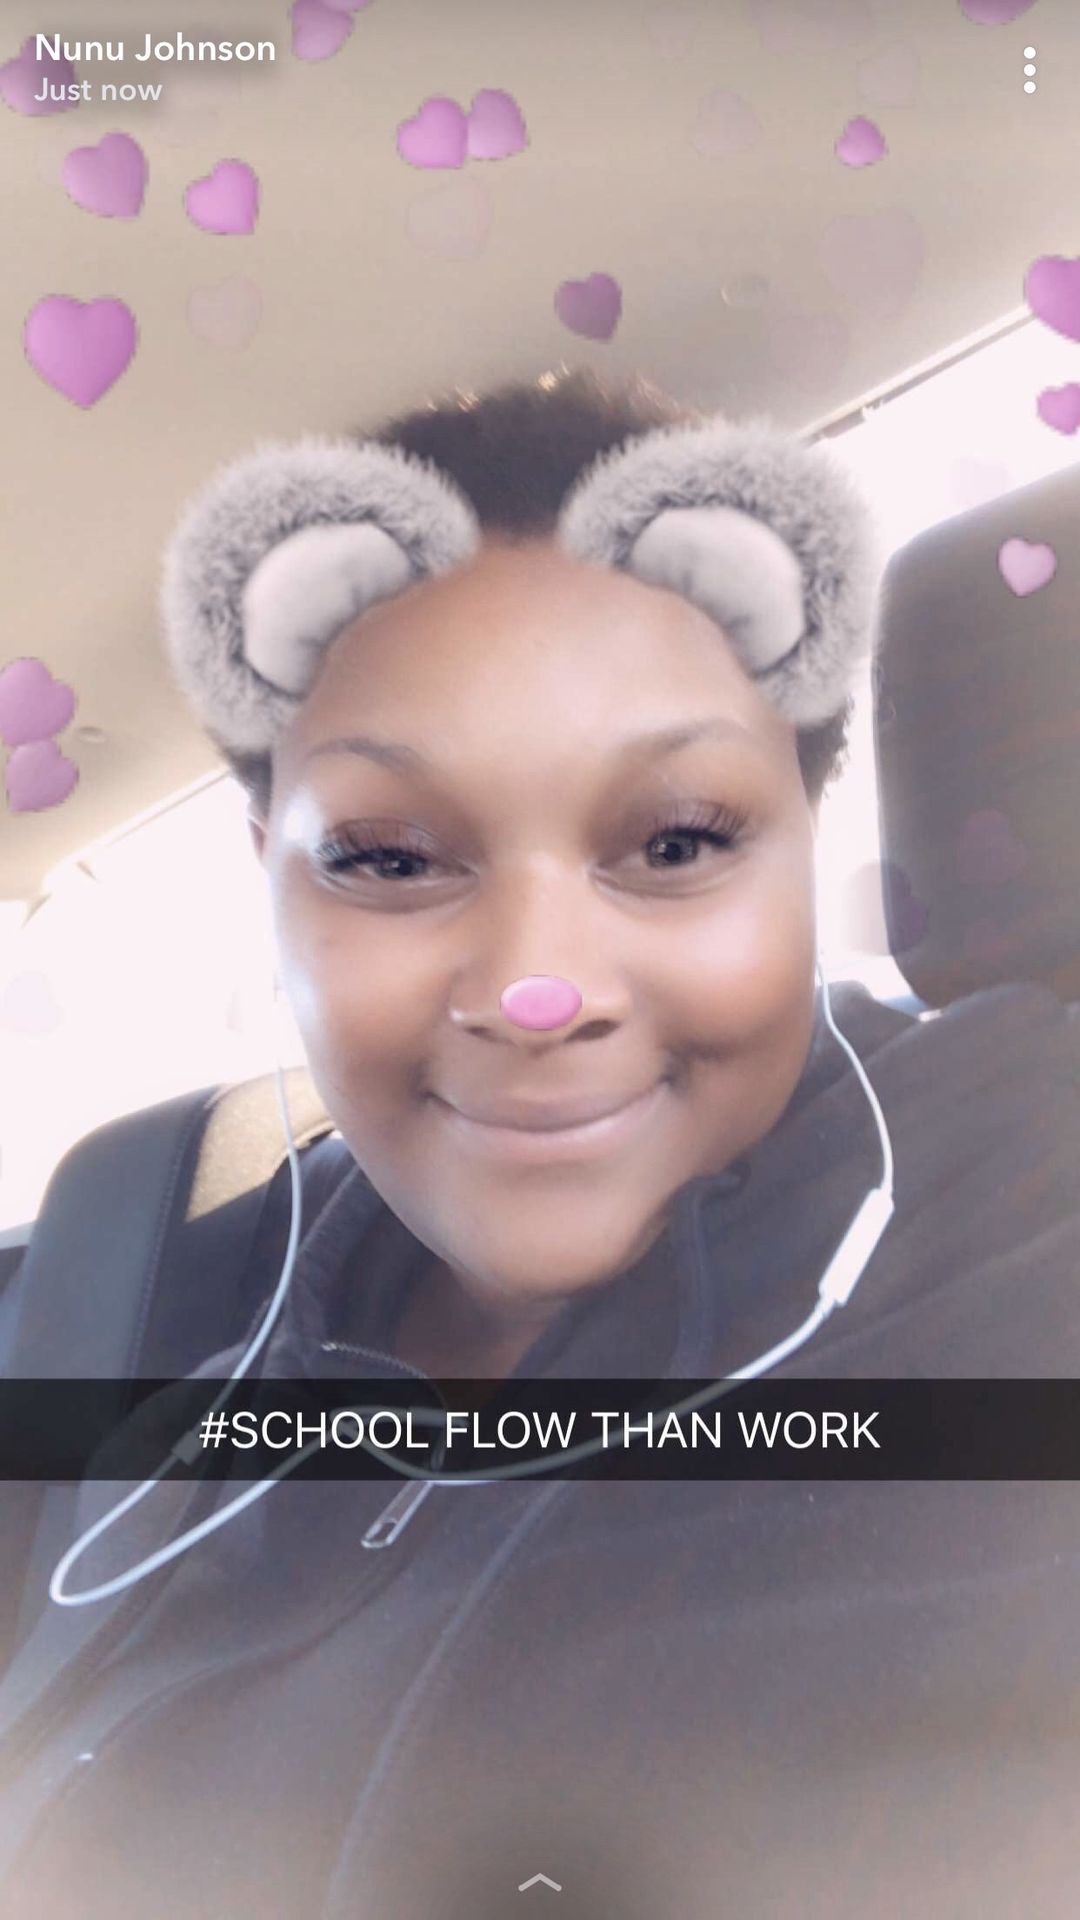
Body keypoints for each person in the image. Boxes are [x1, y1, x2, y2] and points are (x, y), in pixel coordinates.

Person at [0, 367, 1078, 1918]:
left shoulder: (1029, 1193)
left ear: (809, 833)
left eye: (676, 841)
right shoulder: (156, 1347)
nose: (535, 990)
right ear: (267, 878)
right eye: (390, 857)